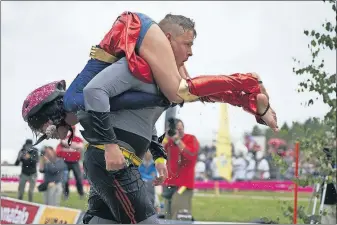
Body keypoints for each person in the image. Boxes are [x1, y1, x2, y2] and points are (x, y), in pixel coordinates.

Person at [21, 12, 278, 224]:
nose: (190, 53)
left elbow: (143, 117)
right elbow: (95, 92)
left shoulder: (152, 75)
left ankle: (249, 96)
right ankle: (248, 84)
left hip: (115, 161)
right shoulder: (135, 66)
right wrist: (111, 147)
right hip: (111, 161)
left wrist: (157, 154)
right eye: (187, 45)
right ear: (167, 40)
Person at [162, 119, 199, 220]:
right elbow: (158, 153)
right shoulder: (168, 142)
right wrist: (165, 137)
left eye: (180, 129)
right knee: (167, 216)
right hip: (169, 183)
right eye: (175, 129)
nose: (178, 131)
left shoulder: (191, 138)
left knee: (179, 214)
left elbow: (191, 155)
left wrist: (178, 141)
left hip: (183, 185)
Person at [56, 126, 85, 200]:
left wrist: (67, 147)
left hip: (75, 162)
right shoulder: (63, 138)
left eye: (73, 129)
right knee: (65, 179)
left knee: (78, 178)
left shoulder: (79, 139)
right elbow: (58, 151)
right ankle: (66, 195)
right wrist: (74, 148)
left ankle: (81, 194)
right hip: (65, 162)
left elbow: (81, 148)